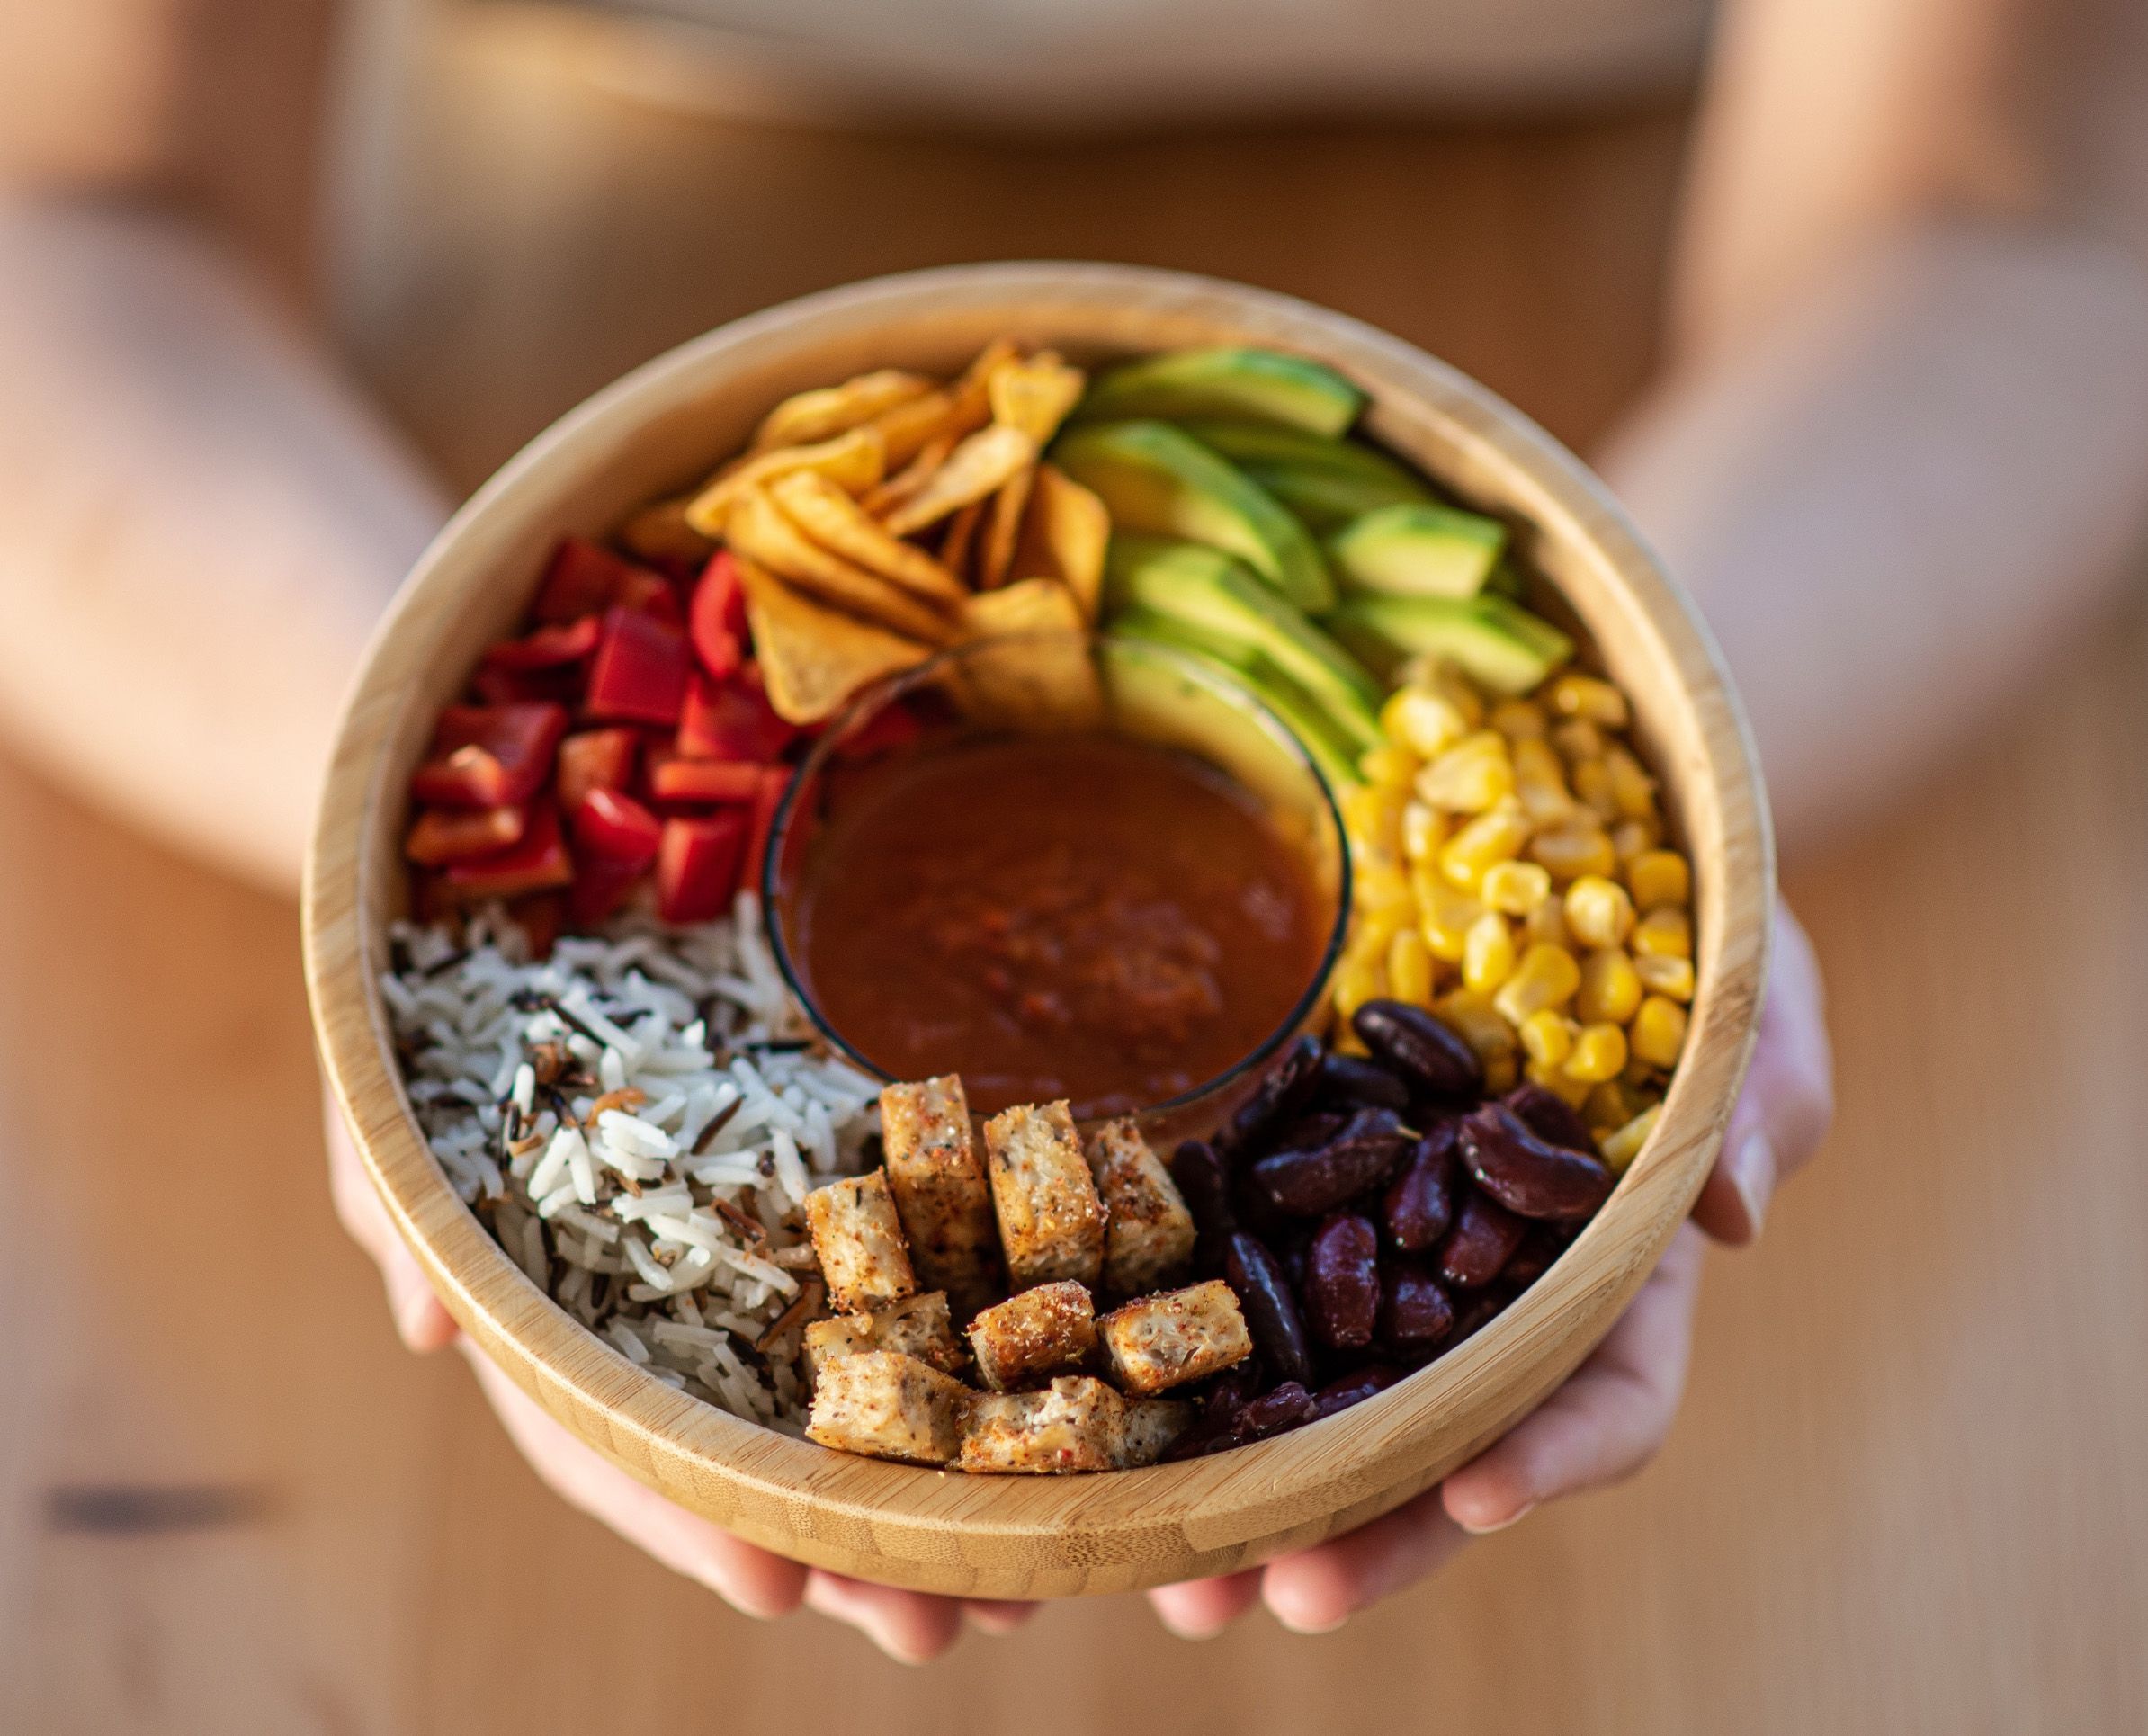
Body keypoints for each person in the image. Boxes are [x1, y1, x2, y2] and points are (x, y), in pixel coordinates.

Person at [2, 0, 2141, 1662]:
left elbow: (2007, 223)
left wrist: (1703, 731)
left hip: (1645, 297)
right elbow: (69, 216)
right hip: (578, 279)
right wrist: (379, 791)